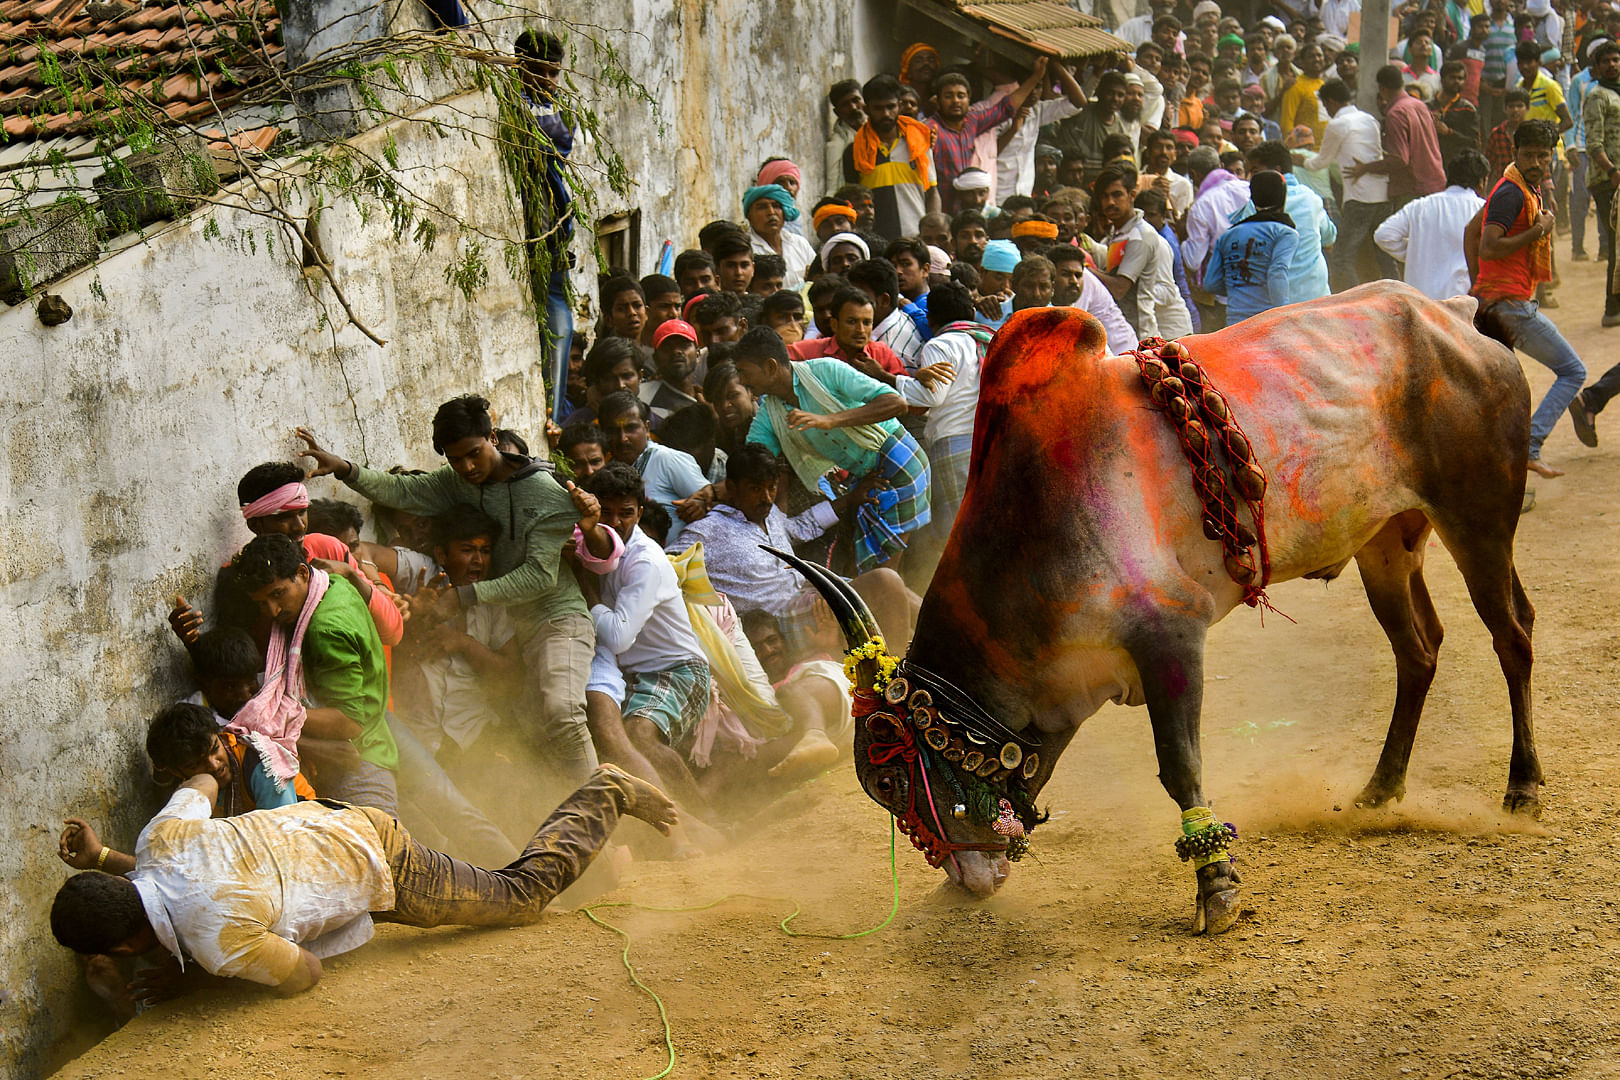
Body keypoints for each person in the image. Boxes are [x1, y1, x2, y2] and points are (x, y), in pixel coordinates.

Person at [51, 763, 677, 997]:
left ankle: (606, 790)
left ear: (125, 945)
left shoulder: (217, 943)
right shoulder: (157, 841)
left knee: (519, 899)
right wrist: (106, 856)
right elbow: (201, 785)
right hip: (328, 821)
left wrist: (211, 979)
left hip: (379, 861)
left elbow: (304, 973)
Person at [298, 395, 604, 785]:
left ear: (492, 436)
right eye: (455, 459)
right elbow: (401, 491)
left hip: (551, 616)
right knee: (531, 733)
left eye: (474, 454)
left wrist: (461, 597)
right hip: (506, 617)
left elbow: (540, 577)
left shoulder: (543, 490)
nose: (467, 467)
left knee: (562, 713)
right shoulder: (455, 482)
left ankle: (608, 810)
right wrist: (345, 468)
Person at [676, 442, 918, 651]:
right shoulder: (706, 530)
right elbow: (669, 565)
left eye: (771, 488)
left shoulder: (769, 516)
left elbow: (802, 526)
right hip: (779, 621)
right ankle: (897, 683)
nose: (767, 498)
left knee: (900, 591)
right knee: (887, 582)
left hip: (810, 595)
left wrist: (849, 500)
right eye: (755, 489)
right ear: (731, 488)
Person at [226, 533, 399, 811]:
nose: (272, 611)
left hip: (358, 763)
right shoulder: (333, 584)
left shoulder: (323, 630)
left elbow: (349, 721)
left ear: (302, 573)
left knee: (376, 850)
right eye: (261, 603)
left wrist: (275, 715)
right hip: (375, 739)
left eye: (278, 594)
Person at [733, 327, 928, 574]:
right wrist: (711, 491)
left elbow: (896, 403)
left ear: (770, 367)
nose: (741, 380)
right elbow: (751, 463)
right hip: (868, 478)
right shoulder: (769, 413)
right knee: (870, 571)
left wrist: (831, 420)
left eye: (743, 371)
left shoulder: (826, 370)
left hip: (899, 461)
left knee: (882, 573)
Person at [1469, 119, 1586, 477]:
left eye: (1543, 155)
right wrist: (1539, 230)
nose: (1536, 161)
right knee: (1572, 371)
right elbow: (1487, 246)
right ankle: (1530, 447)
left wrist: (1480, 288)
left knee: (1501, 395)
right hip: (1511, 307)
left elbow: (1470, 231)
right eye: (1529, 155)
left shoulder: (1519, 187)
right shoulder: (1512, 193)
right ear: (1515, 153)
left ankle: (1492, 467)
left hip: (1496, 302)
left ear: (1551, 157)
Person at [512, 31, 576, 421]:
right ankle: (550, 413)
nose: (550, 82)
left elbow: (559, 149)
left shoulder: (553, 104)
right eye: (541, 71)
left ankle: (554, 409)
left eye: (554, 73)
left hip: (553, 224)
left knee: (559, 325)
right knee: (551, 321)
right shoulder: (511, 103)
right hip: (533, 225)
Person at [595, 391, 712, 549]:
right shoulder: (606, 472)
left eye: (631, 428)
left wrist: (702, 504)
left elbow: (714, 506)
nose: (623, 438)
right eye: (613, 430)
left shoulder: (668, 460)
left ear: (647, 427)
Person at [1309, 78, 1394, 289]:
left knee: (1342, 258)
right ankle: (1401, 298)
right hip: (1382, 194)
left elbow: (1322, 162)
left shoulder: (1338, 124)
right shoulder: (1369, 119)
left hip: (1359, 198)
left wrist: (1300, 160)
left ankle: (1352, 304)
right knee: (1383, 255)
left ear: (1330, 102)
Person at [927, 61, 1048, 211]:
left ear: (968, 100)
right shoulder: (929, 129)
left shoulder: (971, 121)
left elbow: (1006, 107)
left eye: (961, 96)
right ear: (937, 101)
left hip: (968, 209)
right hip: (941, 210)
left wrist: (1036, 78)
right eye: (948, 96)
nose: (955, 101)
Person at [1090, 166, 1195, 339]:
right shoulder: (1118, 234)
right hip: (1133, 332)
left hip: (1147, 335)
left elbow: (1119, 288)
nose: (1110, 202)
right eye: (1104, 196)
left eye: (1117, 195)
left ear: (1131, 196)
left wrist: (1086, 270)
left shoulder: (1140, 236)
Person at [1374, 148, 1489, 298]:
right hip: (1461, 303)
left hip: (1420, 303)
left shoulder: (1420, 206)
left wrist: (1418, 253)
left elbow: (1383, 236)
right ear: (1482, 181)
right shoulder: (1483, 209)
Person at [844, 74, 939, 240]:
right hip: (876, 241)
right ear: (866, 109)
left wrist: (933, 229)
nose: (886, 114)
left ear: (900, 106)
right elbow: (852, 201)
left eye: (891, 107)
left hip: (917, 238)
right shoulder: (855, 152)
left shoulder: (918, 145)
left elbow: (931, 192)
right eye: (878, 108)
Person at [1242, 140, 1335, 303]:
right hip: (1318, 298)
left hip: (1276, 306)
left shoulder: (1253, 206)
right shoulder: (1311, 197)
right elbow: (1330, 238)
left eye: (1255, 172)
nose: (1251, 179)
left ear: (1276, 171)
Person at [1204, 169, 1299, 321]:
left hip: (1235, 323)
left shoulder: (1227, 236)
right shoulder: (1286, 234)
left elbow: (1210, 284)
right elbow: (1277, 272)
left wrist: (1239, 290)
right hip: (1267, 323)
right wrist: (1284, 314)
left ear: (1253, 199)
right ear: (1283, 198)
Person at [1354, 66, 1448, 205]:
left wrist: (1366, 168)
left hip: (1413, 190)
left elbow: (1399, 159)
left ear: (1382, 88)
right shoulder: (1419, 105)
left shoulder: (1395, 114)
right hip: (1435, 182)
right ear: (1402, 84)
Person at [995, 61, 1087, 199]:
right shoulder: (997, 114)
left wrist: (1056, 66)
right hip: (997, 196)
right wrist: (1014, 128)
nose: (1033, 92)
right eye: (1028, 86)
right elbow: (990, 153)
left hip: (1023, 196)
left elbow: (1078, 102)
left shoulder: (1037, 111)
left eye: (1037, 87)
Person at [789, 285, 906, 375]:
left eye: (866, 323)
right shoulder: (810, 351)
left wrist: (882, 376)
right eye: (852, 322)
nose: (861, 330)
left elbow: (912, 398)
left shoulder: (881, 353)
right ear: (834, 324)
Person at [1046, 243, 1136, 356]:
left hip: (1121, 351)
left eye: (1078, 275)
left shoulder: (1084, 284)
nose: (1074, 281)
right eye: (1065, 274)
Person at [1585, 40, 1620, 325]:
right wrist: (1612, 172)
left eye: (1616, 59)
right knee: (1615, 243)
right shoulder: (1597, 96)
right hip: (1608, 180)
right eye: (1606, 61)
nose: (1612, 64)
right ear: (1596, 68)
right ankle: (1612, 309)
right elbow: (1593, 143)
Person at [847, 258, 924, 370]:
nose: (850, 304)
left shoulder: (895, 351)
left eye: (860, 298)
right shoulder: (893, 322)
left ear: (884, 300)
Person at [1053, 69, 1128, 176]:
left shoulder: (1121, 130)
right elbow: (1080, 96)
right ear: (1100, 92)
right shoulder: (1080, 111)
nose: (1115, 98)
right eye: (1110, 93)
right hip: (1069, 176)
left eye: (1120, 95)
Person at [744, 183, 815, 288]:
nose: (771, 212)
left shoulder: (799, 243)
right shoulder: (745, 248)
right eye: (762, 207)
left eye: (776, 206)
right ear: (749, 215)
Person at [640, 319, 702, 422]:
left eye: (684, 345)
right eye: (667, 347)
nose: (676, 351)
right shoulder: (641, 396)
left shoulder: (707, 400)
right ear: (656, 358)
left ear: (698, 354)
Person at [1138, 127, 1196, 216]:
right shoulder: (1135, 178)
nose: (1164, 152)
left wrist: (1166, 197)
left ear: (1175, 155)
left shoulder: (1183, 185)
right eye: (1158, 147)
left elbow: (1180, 222)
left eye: (1169, 148)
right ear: (1148, 152)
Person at [1432, 60, 1482, 162]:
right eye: (1452, 77)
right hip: (1431, 162)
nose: (1457, 81)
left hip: (1458, 165)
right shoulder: (1428, 107)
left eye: (1460, 78)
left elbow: (1475, 143)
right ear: (1442, 80)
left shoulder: (1468, 109)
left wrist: (1449, 133)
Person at [1279, 42, 1328, 145]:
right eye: (1311, 56)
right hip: (1305, 150)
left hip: (1325, 148)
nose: (1317, 59)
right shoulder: (1295, 86)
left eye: (1319, 55)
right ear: (1302, 62)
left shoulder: (1325, 85)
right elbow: (1287, 122)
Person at [1487, 87, 1532, 182]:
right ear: (1505, 109)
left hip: (1528, 185)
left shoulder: (1533, 133)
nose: (1515, 110)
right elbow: (1488, 165)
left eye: (1520, 106)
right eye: (1511, 106)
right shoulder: (1497, 134)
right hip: (1505, 185)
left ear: (1527, 108)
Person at [825, 79, 866, 186]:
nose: (853, 107)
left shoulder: (881, 129)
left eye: (856, 100)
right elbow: (834, 184)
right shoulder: (837, 145)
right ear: (837, 112)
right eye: (845, 104)